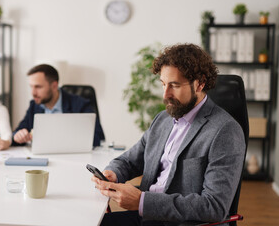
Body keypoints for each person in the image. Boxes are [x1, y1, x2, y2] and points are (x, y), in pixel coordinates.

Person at [92, 44, 246, 225]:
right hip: (147, 217)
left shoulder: (225, 131)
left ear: (200, 83)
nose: (166, 95)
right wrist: (113, 173)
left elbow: (213, 206)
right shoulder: (163, 120)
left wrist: (142, 201)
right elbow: (129, 160)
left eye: (174, 85)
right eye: (164, 84)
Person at [13, 64, 105, 146]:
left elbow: (98, 136)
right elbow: (18, 132)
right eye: (31, 87)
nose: (33, 93)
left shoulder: (80, 104)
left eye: (38, 87)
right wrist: (18, 136)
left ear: (54, 86)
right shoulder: (34, 105)